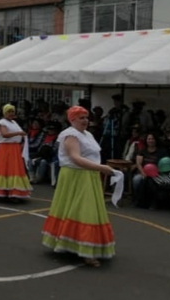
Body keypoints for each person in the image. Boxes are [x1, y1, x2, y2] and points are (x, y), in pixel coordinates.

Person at [41, 106, 116, 267]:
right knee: (83, 210)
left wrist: (98, 168)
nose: (85, 120)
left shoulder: (87, 134)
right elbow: (75, 158)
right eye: (81, 118)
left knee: (84, 210)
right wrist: (102, 168)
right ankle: (84, 250)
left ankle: (77, 243)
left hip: (88, 176)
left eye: (86, 117)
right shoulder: (70, 135)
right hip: (76, 176)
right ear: (72, 119)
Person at [0, 104, 32, 201]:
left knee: (14, 169)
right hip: (6, 148)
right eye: (9, 112)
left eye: (12, 111)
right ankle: (4, 191)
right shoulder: (2, 122)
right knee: (6, 168)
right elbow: (4, 134)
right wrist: (19, 133)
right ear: (4, 113)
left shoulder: (14, 122)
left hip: (14, 148)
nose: (11, 113)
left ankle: (13, 191)